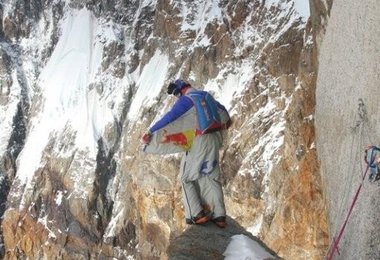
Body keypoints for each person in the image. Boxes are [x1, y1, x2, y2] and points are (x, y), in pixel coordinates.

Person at [142, 79, 231, 228]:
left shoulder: (186, 100)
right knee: (211, 176)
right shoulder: (205, 96)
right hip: (214, 138)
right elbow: (225, 116)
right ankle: (220, 216)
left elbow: (170, 117)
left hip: (199, 140)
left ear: (181, 90)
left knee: (186, 178)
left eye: (176, 93)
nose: (177, 96)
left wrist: (150, 132)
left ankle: (196, 214)